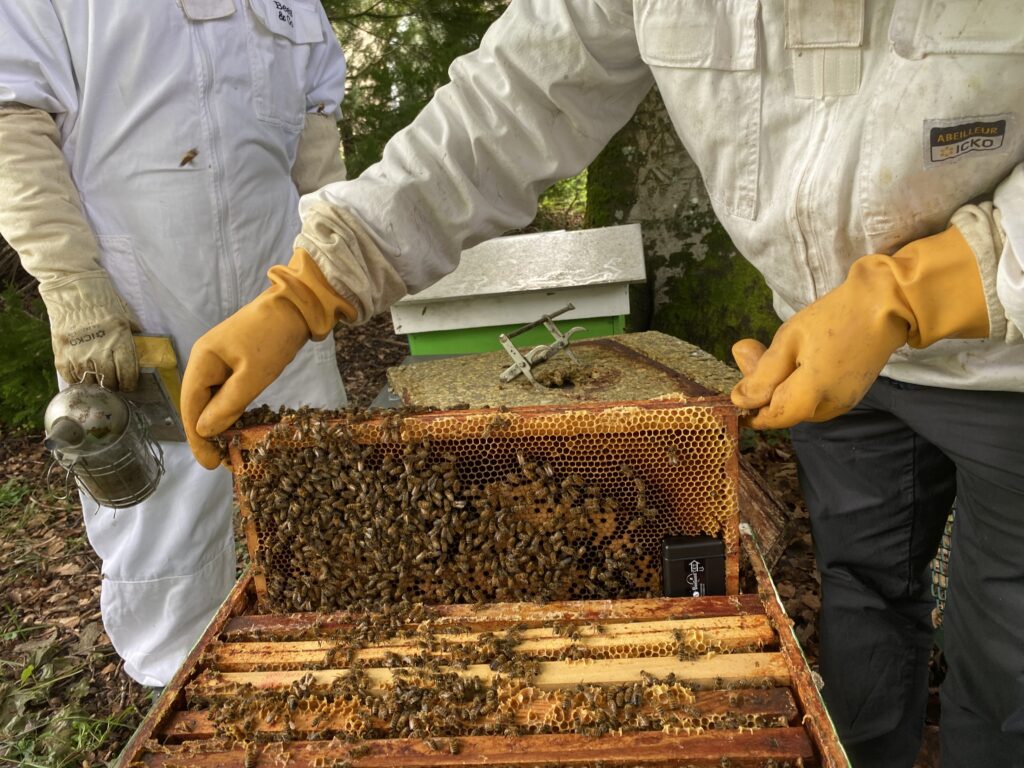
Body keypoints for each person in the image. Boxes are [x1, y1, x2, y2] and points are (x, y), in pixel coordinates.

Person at [178, 1, 1024, 765]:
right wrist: (314, 283)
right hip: (820, 352)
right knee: (862, 588)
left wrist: (922, 290)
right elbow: (512, 100)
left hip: (1008, 356)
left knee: (1008, 636)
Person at [0, 0, 349, 687]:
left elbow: (316, 136)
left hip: (281, 295)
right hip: (140, 304)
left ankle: (330, 672)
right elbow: (11, 118)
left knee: (320, 491)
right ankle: (179, 692)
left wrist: (334, 261)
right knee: (162, 520)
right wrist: (72, 283)